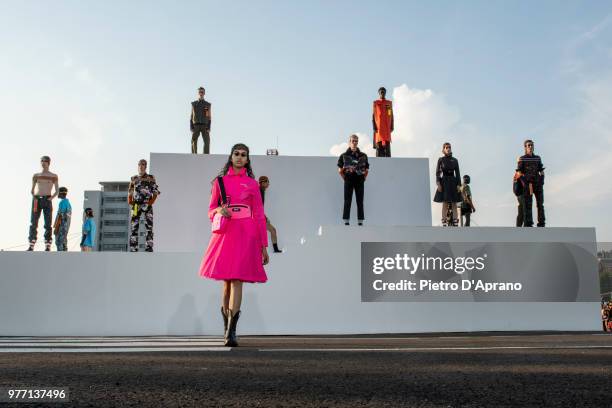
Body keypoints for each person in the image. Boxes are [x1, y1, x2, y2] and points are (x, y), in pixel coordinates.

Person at [199, 143, 269, 347]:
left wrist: (263, 245)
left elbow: (259, 215)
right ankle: (225, 327)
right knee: (226, 283)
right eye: (236, 154)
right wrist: (219, 211)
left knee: (238, 280)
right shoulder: (219, 182)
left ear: (247, 160)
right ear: (231, 157)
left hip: (246, 232)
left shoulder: (253, 184)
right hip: (226, 232)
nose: (239, 157)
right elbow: (211, 210)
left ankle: (231, 331)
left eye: (243, 155)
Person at [27, 155, 59, 251]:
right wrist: (35, 196)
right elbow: (32, 190)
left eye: (45, 161)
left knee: (48, 223)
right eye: (41, 161)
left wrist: (51, 198)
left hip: (47, 199)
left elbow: (57, 190)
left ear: (49, 162)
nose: (43, 163)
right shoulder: (36, 175)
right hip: (37, 200)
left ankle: (48, 245)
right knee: (33, 222)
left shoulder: (54, 176)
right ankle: (31, 244)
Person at [128, 159, 160, 252]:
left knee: (149, 227)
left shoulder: (151, 177)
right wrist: (130, 200)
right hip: (136, 205)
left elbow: (155, 191)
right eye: (139, 164)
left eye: (143, 164)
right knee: (134, 227)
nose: (141, 166)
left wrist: (151, 202)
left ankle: (149, 247)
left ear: (146, 166)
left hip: (147, 204)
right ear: (138, 166)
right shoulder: (133, 178)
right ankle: (133, 248)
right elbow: (130, 191)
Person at [338, 134, 370, 226]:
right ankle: (346, 221)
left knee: (360, 201)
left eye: (356, 141)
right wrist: (345, 178)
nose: (355, 143)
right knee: (347, 200)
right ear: (349, 142)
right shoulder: (343, 155)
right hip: (348, 180)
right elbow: (340, 170)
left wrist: (364, 178)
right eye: (353, 141)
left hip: (360, 180)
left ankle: (360, 221)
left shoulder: (363, 155)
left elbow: (367, 169)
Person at [517, 139, 545, 227]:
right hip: (528, 184)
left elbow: (541, 170)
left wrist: (542, 180)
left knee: (540, 204)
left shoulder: (537, 158)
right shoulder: (522, 159)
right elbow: (519, 172)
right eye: (528, 145)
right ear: (525, 147)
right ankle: (529, 223)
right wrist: (525, 183)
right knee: (528, 204)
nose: (530, 146)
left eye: (531, 145)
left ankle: (541, 222)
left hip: (538, 184)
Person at [433, 142, 462, 226]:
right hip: (444, 182)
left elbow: (458, 173)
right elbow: (438, 173)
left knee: (454, 202)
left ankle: (456, 221)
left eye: (449, 147)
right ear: (443, 149)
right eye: (446, 147)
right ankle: (444, 222)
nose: (448, 148)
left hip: (453, 181)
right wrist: (438, 183)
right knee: (445, 202)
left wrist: (459, 185)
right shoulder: (441, 159)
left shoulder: (455, 160)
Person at [258, 176, 283, 253]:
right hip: (258, 218)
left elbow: (259, 207)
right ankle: (274, 249)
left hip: (259, 216)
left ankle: (275, 249)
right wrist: (264, 218)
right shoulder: (259, 191)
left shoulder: (262, 191)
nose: (268, 184)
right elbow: (258, 207)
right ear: (262, 183)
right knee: (272, 230)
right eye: (267, 182)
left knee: (272, 230)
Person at [372, 87, 394, 157]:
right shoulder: (376, 103)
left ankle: (388, 162)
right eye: (381, 92)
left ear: (385, 93)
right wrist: (374, 126)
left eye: (383, 92)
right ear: (379, 93)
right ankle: (379, 162)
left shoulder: (388, 103)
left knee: (387, 146)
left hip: (387, 129)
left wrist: (392, 125)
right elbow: (373, 115)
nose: (382, 93)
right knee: (379, 146)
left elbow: (390, 115)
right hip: (379, 128)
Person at [190, 86, 212, 154]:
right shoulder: (194, 104)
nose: (201, 93)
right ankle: (194, 154)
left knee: (207, 141)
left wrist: (209, 126)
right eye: (200, 92)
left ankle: (205, 155)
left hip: (204, 125)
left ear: (204, 93)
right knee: (194, 140)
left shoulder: (207, 104)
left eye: (202, 92)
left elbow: (208, 115)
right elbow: (191, 115)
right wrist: (191, 125)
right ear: (198, 93)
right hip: (196, 124)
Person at [53, 187, 72, 251]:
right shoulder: (68, 203)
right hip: (65, 227)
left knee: (59, 241)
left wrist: (56, 228)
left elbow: (60, 216)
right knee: (64, 241)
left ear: (61, 193)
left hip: (61, 226)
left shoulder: (62, 202)